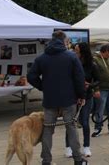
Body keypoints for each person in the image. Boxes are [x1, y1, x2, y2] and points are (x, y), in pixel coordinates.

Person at [27, 31, 86, 165]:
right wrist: (81, 95)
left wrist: (43, 87)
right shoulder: (71, 56)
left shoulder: (42, 58)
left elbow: (31, 76)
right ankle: (78, 159)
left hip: (50, 100)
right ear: (64, 41)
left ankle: (46, 161)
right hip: (69, 99)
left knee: (48, 129)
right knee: (71, 128)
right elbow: (79, 78)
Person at [65, 42, 100, 158]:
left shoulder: (92, 65)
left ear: (83, 52)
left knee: (85, 122)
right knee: (70, 122)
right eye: (75, 50)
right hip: (73, 96)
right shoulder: (72, 62)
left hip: (87, 95)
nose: (75, 52)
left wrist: (90, 85)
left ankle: (86, 146)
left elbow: (98, 80)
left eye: (77, 50)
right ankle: (68, 147)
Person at [92, 44, 109, 137]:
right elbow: (94, 75)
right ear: (106, 51)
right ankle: (98, 127)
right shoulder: (95, 60)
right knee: (100, 109)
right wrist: (96, 89)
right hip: (101, 88)